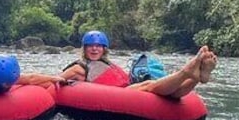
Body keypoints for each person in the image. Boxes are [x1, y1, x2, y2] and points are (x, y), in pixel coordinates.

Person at [60, 30, 217, 99]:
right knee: (149, 85)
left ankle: (197, 77)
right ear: (84, 48)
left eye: (98, 46)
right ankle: (186, 72)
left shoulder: (106, 63)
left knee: (173, 95)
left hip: (124, 89)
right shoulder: (78, 68)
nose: (94, 49)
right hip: (119, 94)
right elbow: (56, 81)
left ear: (104, 49)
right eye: (90, 46)